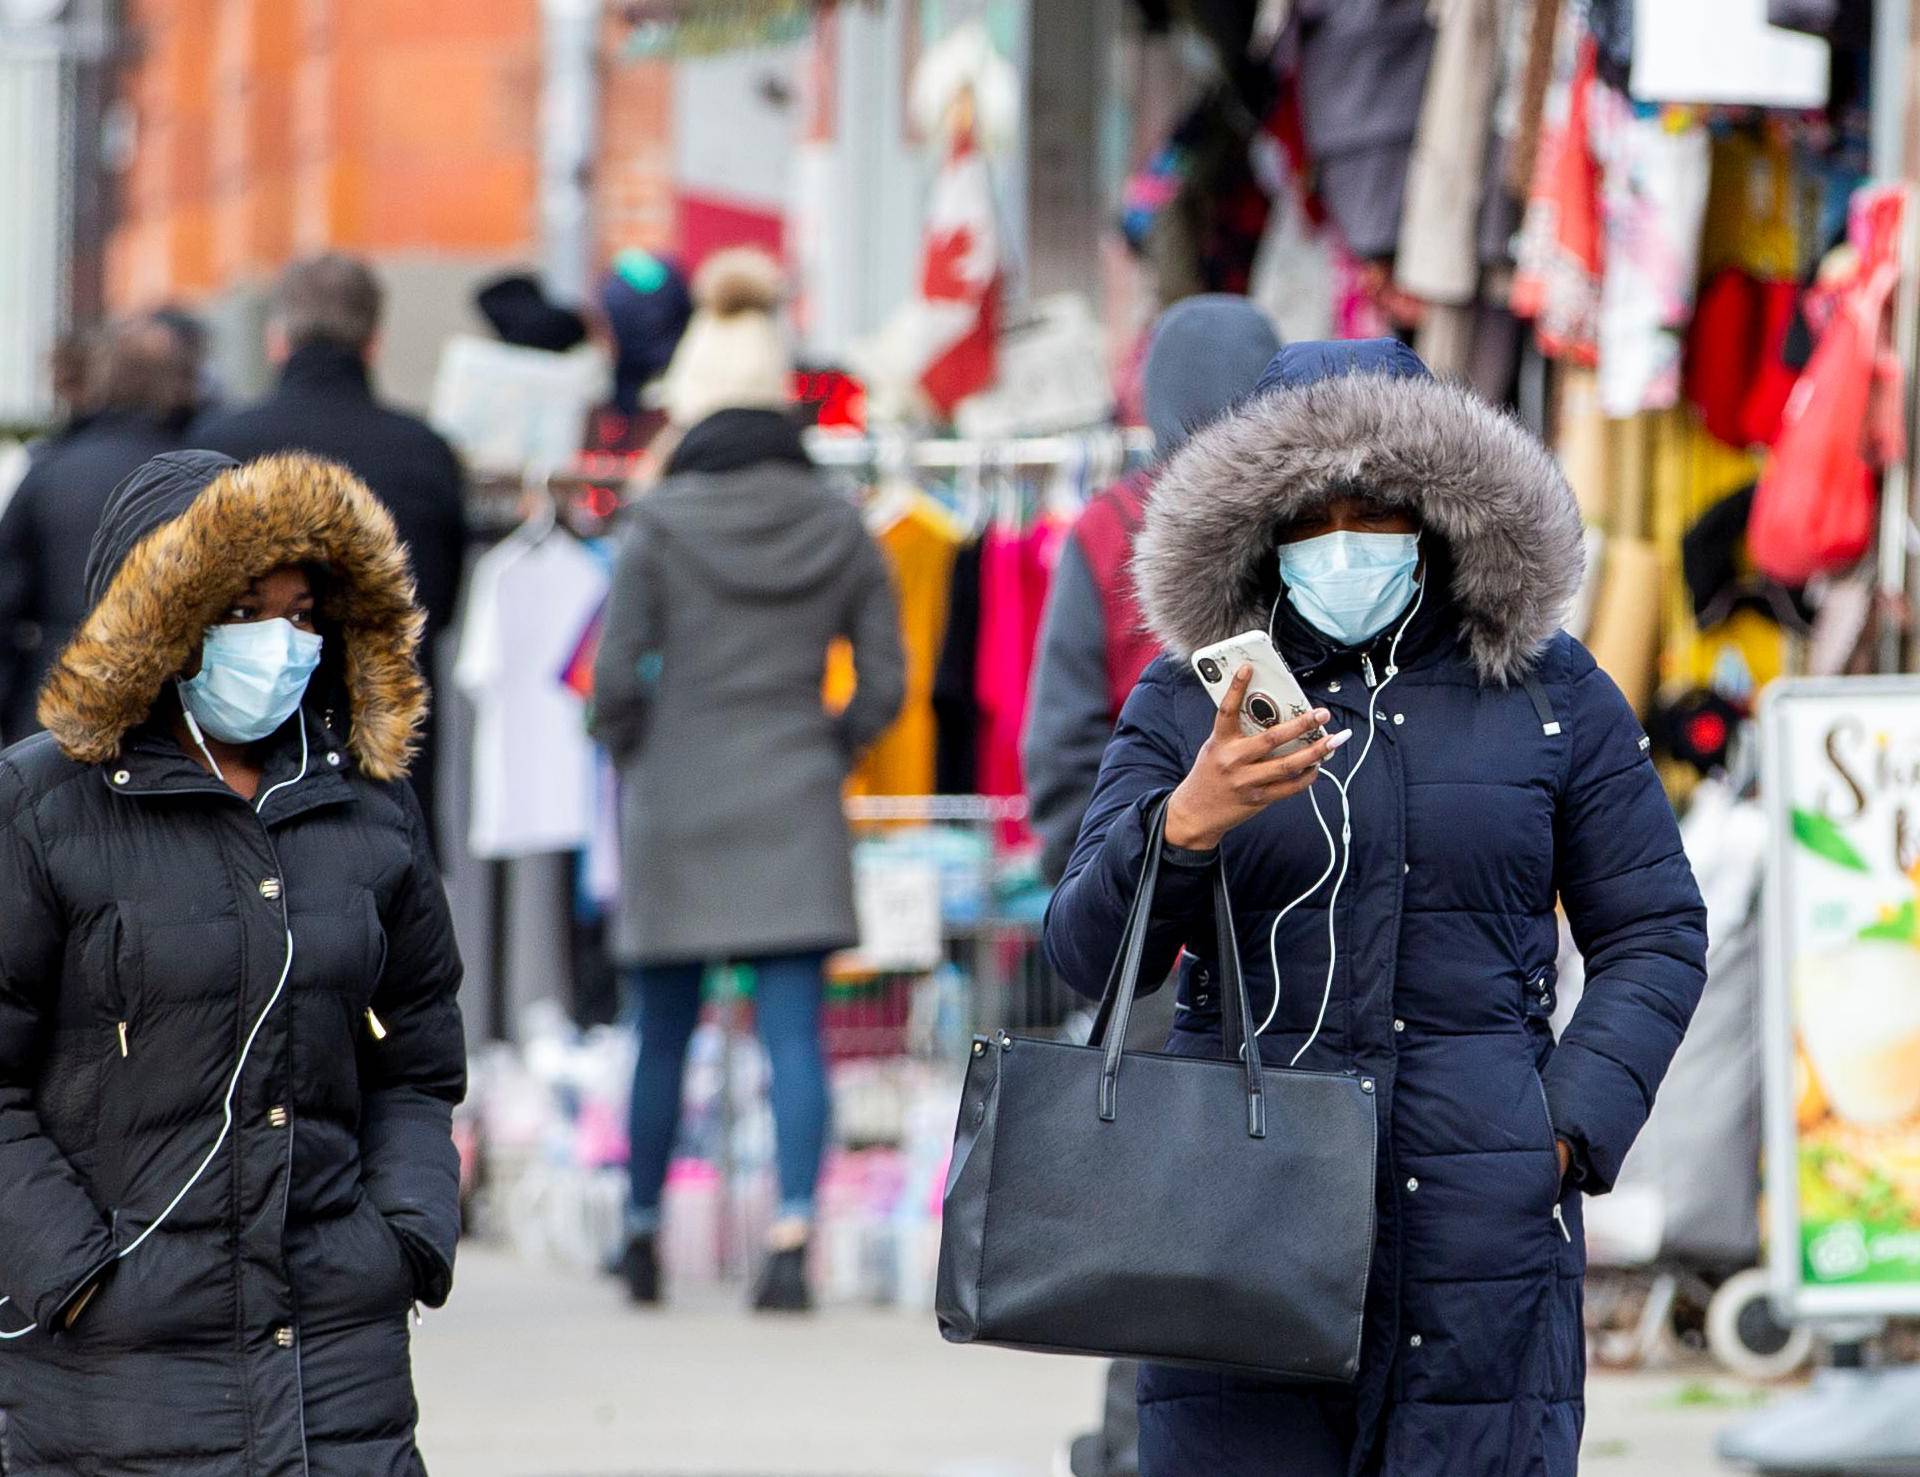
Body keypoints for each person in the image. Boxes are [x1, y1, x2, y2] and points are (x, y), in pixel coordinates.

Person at [1044, 340, 1708, 1475]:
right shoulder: (1188, 698)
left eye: (1379, 508)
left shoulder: (1551, 693)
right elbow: (1085, 957)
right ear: (1262, 529)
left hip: (1482, 1238)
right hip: (1236, 1223)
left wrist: (1554, 1133)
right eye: (1313, 514)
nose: (1345, 539)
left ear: (1441, 514)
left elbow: (1655, 932)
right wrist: (1186, 823)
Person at [0, 449, 466, 1475]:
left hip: (338, 1371)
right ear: (164, 614)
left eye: (304, 615)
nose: (284, 643)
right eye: (248, 611)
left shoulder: (366, 802)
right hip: (111, 1385)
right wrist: (74, 1271)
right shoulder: (42, 806)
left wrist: (404, 1236)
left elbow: (420, 1058)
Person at [591, 248, 905, 1313]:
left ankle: (639, 1236)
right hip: (794, 793)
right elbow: (888, 676)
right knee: (791, 1036)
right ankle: (789, 1243)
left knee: (661, 1034)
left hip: (675, 799)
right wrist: (830, 745)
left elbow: (610, 679)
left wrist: (641, 749)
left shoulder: (658, 525)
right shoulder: (838, 523)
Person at [194, 253, 467, 846]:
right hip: (384, 754)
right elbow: (439, 608)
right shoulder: (424, 451)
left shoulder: (218, 446)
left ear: (277, 339)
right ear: (374, 342)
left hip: (241, 758)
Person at [1025, 294, 1281, 886]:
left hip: (1155, 881)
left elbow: (1063, 735)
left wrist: (1095, 874)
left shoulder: (1110, 527)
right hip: (1298, 887)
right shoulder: (1316, 518)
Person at [0, 315, 194, 743]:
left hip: (54, 700)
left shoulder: (49, 471)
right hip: (168, 712)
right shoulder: (199, 478)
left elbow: (6, 600)